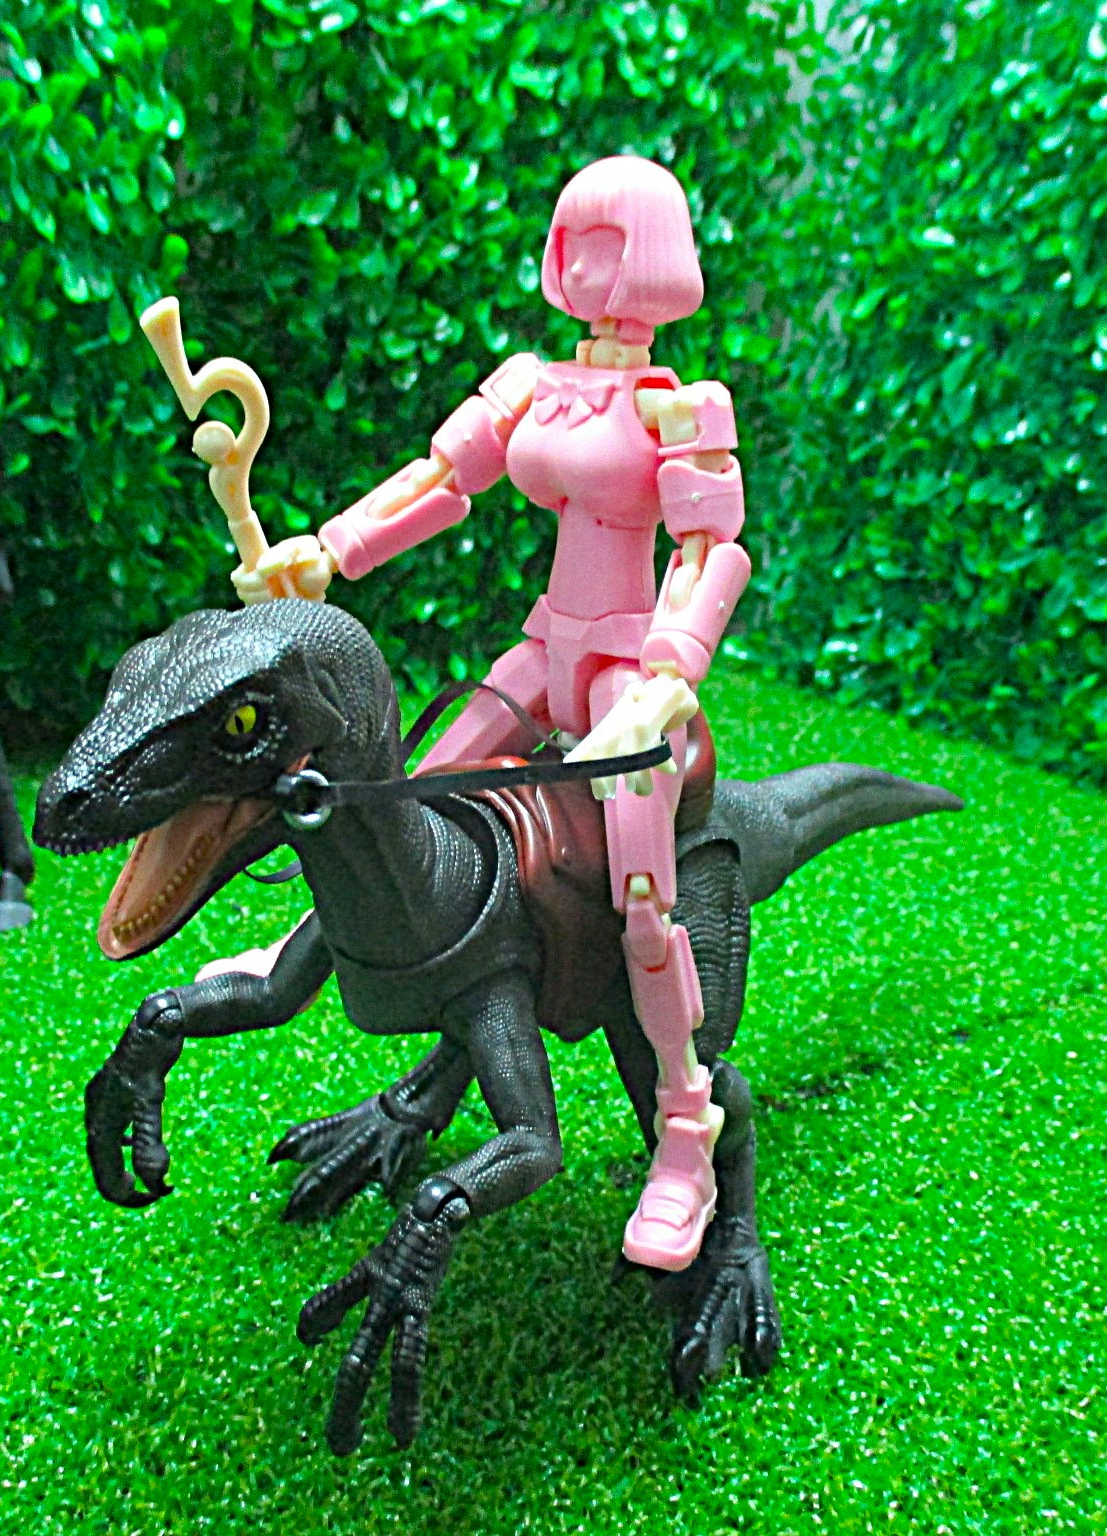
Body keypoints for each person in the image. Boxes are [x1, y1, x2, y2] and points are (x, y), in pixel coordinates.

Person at [235, 156, 753, 1273]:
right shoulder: (532, 380)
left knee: (642, 895)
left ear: (655, 257)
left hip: (627, 673)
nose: (580, 265)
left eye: (605, 243)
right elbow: (440, 479)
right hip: (545, 648)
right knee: (410, 793)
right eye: (570, 240)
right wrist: (330, 551)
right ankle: (304, 940)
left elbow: (712, 549)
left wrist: (671, 671)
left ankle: (683, 1129)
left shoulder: (680, 407)